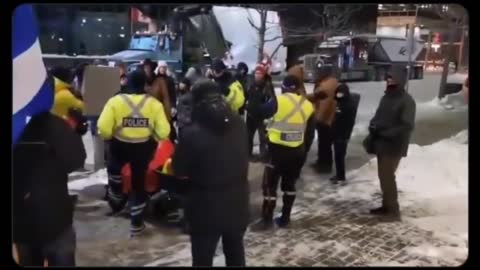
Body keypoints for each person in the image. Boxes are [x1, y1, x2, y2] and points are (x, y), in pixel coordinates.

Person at [172, 80, 250, 267]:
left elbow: (179, 170)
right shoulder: (239, 123)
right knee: (236, 254)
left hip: (204, 208)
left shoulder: (191, 133)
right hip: (237, 202)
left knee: (202, 259)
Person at [97, 70, 171, 237]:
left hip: (118, 147)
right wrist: (152, 136)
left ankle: (116, 199)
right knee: (139, 184)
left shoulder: (115, 102)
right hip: (142, 149)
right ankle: (136, 223)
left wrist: (110, 136)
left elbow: (103, 128)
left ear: (127, 82)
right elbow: (164, 131)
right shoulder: (154, 104)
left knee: (114, 172)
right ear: (145, 84)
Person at [13, 107, 86, 266]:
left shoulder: (15, 123)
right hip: (56, 217)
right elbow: (76, 160)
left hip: (21, 218)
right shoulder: (54, 124)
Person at [251, 75, 314, 231]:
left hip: (277, 152)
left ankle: (266, 220)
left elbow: (257, 112)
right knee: (289, 185)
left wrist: (255, 93)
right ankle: (285, 218)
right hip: (297, 152)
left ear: (284, 87)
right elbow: (310, 133)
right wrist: (304, 150)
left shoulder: (279, 101)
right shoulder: (308, 105)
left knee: (269, 188)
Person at [365, 65, 416, 222]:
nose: (389, 80)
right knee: (383, 176)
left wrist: (386, 133)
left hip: (394, 145)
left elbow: (406, 125)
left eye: (392, 78)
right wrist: (373, 125)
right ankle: (386, 206)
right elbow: (378, 116)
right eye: (388, 77)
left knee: (387, 177)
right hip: (381, 143)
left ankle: (393, 210)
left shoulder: (406, 101)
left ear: (400, 80)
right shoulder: (386, 97)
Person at [307, 65, 339, 174]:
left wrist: (319, 118)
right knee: (325, 144)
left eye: (319, 72)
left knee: (324, 144)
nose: (317, 74)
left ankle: (324, 166)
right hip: (329, 118)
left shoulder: (326, 85)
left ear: (324, 74)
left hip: (326, 119)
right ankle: (322, 162)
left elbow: (322, 100)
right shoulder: (332, 82)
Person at [329, 83, 360, 184]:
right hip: (338, 133)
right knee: (338, 156)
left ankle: (341, 176)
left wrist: (344, 134)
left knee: (339, 156)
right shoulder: (341, 103)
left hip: (342, 135)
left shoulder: (347, 105)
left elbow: (346, 121)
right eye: (338, 92)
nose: (338, 94)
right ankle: (339, 175)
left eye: (340, 93)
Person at [246, 64, 274, 161]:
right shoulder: (251, 85)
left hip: (261, 116)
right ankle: (248, 154)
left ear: (263, 75)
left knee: (263, 137)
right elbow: (246, 97)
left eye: (260, 73)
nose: (257, 75)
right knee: (249, 136)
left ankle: (263, 156)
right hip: (251, 115)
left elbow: (271, 101)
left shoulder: (267, 86)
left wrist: (267, 113)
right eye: (256, 73)